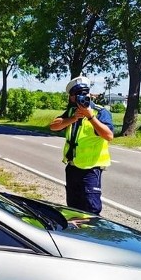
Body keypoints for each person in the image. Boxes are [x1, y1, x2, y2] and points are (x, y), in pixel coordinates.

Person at [48, 75, 114, 214]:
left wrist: (90, 117)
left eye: (84, 94)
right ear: (72, 98)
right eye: (76, 96)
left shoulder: (100, 112)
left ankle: (90, 235)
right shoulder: (72, 112)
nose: (81, 98)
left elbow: (109, 136)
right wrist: (73, 118)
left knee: (91, 209)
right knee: (72, 208)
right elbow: (53, 126)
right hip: (72, 168)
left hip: (90, 170)